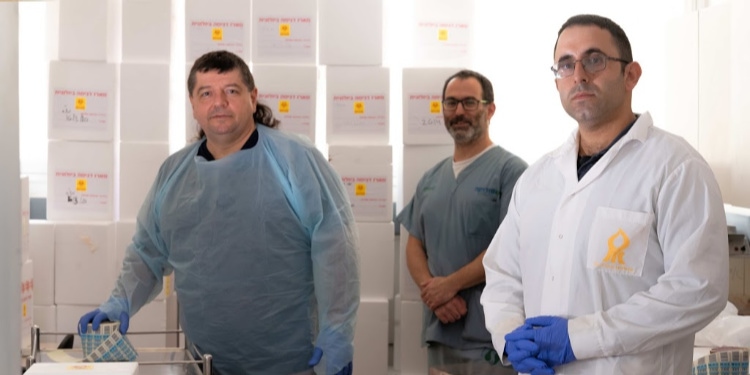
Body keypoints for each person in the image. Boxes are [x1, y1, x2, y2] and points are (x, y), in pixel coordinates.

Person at [78, 50, 360, 375]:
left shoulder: (295, 160)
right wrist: (120, 301)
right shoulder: (174, 174)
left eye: (231, 91)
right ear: (193, 105)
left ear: (252, 98)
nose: (219, 102)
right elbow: (147, 251)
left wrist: (337, 332)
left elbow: (337, 249)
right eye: (206, 93)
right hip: (206, 363)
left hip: (289, 363)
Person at [481, 14, 729, 375]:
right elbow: (503, 274)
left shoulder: (676, 168)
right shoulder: (537, 179)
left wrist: (579, 338)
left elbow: (698, 289)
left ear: (631, 75)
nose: (579, 75)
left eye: (594, 60)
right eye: (565, 65)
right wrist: (507, 337)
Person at [397, 69, 528, 373]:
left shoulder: (512, 172)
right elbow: (415, 244)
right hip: (441, 327)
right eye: (451, 103)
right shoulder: (431, 178)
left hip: (489, 335)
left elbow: (510, 250)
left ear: (489, 109)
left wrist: (449, 286)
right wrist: (435, 294)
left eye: (469, 103)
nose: (459, 112)